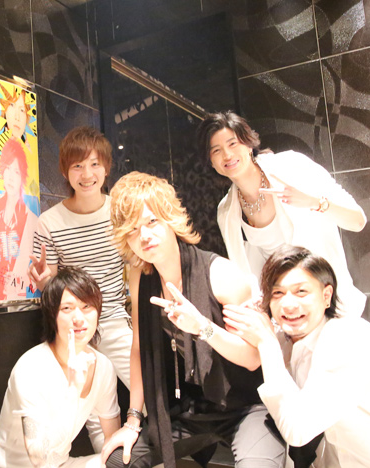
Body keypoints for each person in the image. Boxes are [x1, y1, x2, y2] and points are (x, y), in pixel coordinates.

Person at [102, 172, 285, 468]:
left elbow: (254, 358)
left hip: (245, 406)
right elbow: (139, 348)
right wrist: (133, 419)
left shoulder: (222, 275)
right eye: (132, 230)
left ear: (170, 220)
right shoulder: (140, 277)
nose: (144, 236)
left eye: (152, 222)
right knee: (118, 461)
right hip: (189, 409)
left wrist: (202, 327)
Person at [196, 111, 366, 316]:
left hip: (331, 304)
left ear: (248, 145)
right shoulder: (226, 211)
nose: (227, 155)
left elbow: (357, 221)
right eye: (216, 150)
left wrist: (314, 202)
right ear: (211, 162)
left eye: (233, 144)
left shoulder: (291, 166)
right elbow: (250, 274)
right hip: (287, 314)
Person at [223, 246, 370, 467]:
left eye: (301, 292)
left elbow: (298, 430)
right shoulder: (285, 342)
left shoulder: (349, 337)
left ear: (326, 296)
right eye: (277, 293)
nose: (288, 304)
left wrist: (267, 344)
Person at [29, 127, 132, 391]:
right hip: (73, 327)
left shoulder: (121, 212)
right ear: (65, 172)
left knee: (144, 390)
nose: (87, 175)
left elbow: (137, 267)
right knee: (82, 403)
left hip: (113, 321)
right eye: (77, 166)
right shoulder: (49, 223)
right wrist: (43, 282)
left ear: (106, 168)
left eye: (94, 164)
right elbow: (50, 287)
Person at [0, 266, 121, 468]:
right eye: (67, 308)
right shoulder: (31, 368)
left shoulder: (103, 367)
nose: (79, 318)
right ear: (52, 315)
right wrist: (73, 390)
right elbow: (40, 458)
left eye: (87, 306)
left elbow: (109, 439)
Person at [0, 138, 37, 301]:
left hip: (11, 299)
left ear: (22, 177)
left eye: (16, 172)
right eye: (8, 169)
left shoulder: (31, 219)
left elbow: (35, 276)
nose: (10, 177)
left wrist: (17, 283)